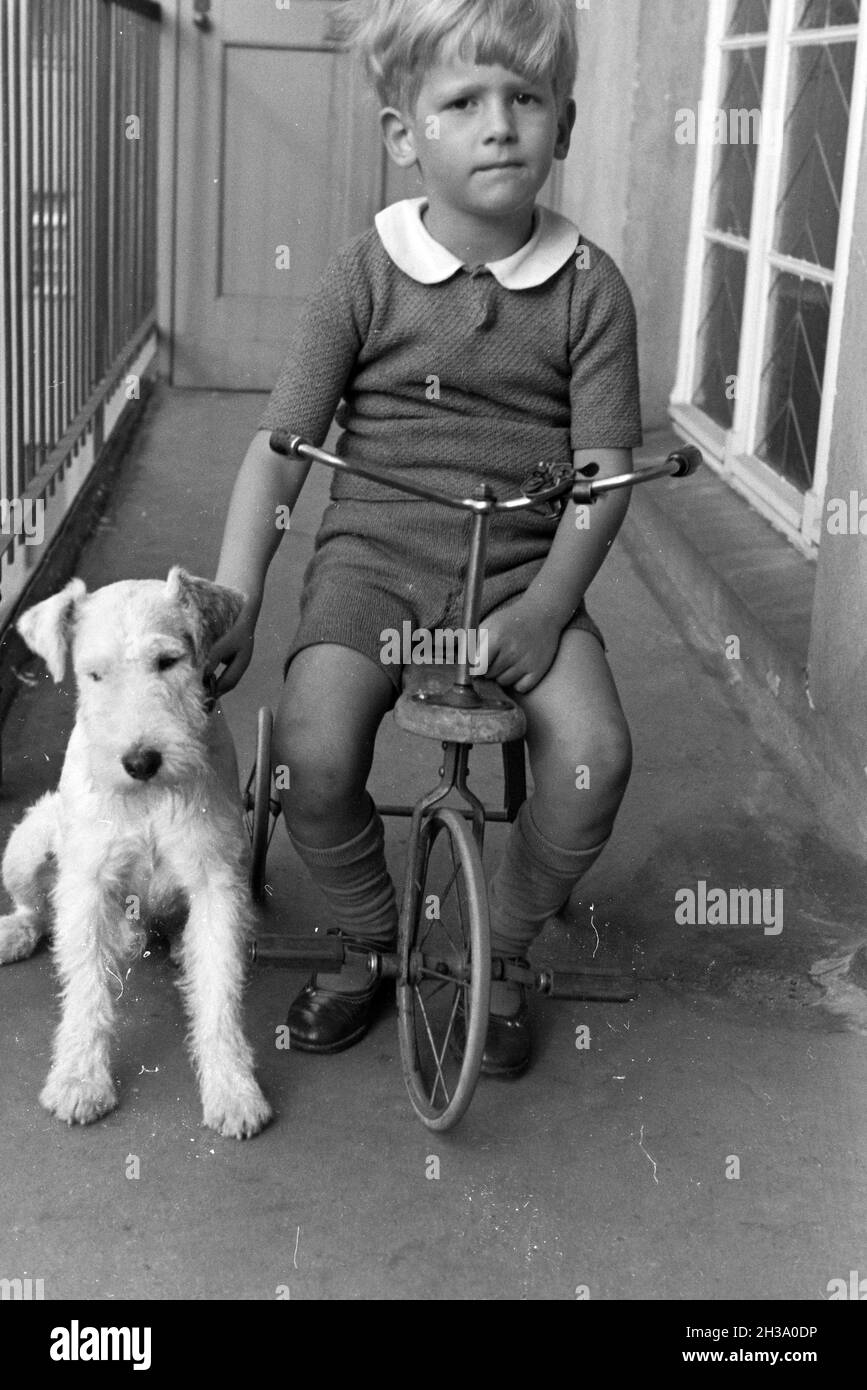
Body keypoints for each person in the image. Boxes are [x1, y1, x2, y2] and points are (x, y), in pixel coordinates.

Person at [207, 0, 642, 1077]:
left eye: (527, 100)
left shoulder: (591, 289)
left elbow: (603, 478)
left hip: (523, 566)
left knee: (594, 757)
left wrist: (546, 608)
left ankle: (498, 941)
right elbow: (283, 447)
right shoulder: (366, 271)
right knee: (314, 746)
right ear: (407, 135)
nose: (501, 125)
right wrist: (241, 592)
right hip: (374, 557)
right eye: (464, 102)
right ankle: (367, 935)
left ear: (567, 122)